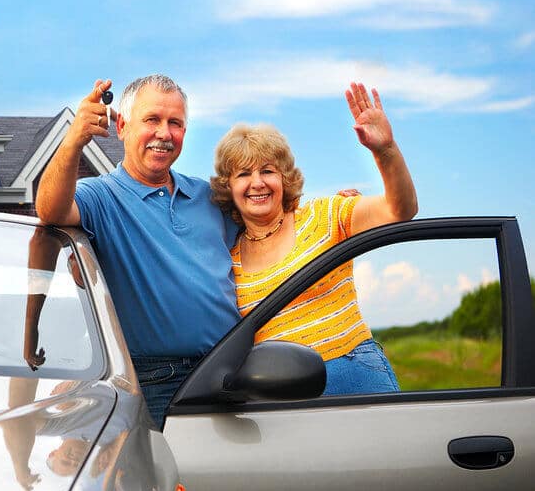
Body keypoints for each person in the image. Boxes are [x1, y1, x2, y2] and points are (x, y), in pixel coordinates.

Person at [36, 75, 241, 428]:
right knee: (163, 481)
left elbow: (271, 229)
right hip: (156, 382)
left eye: (175, 123)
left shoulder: (211, 197)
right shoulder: (101, 196)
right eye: (152, 120)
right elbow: (50, 210)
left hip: (232, 373)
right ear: (122, 126)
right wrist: (74, 140)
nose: (164, 133)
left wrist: (340, 209)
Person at [210, 82, 418, 394]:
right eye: (243, 174)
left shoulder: (324, 215)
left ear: (284, 178)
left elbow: (399, 210)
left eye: (267, 170)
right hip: (284, 396)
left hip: (358, 377)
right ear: (229, 187)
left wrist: (385, 151)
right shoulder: (227, 261)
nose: (257, 183)